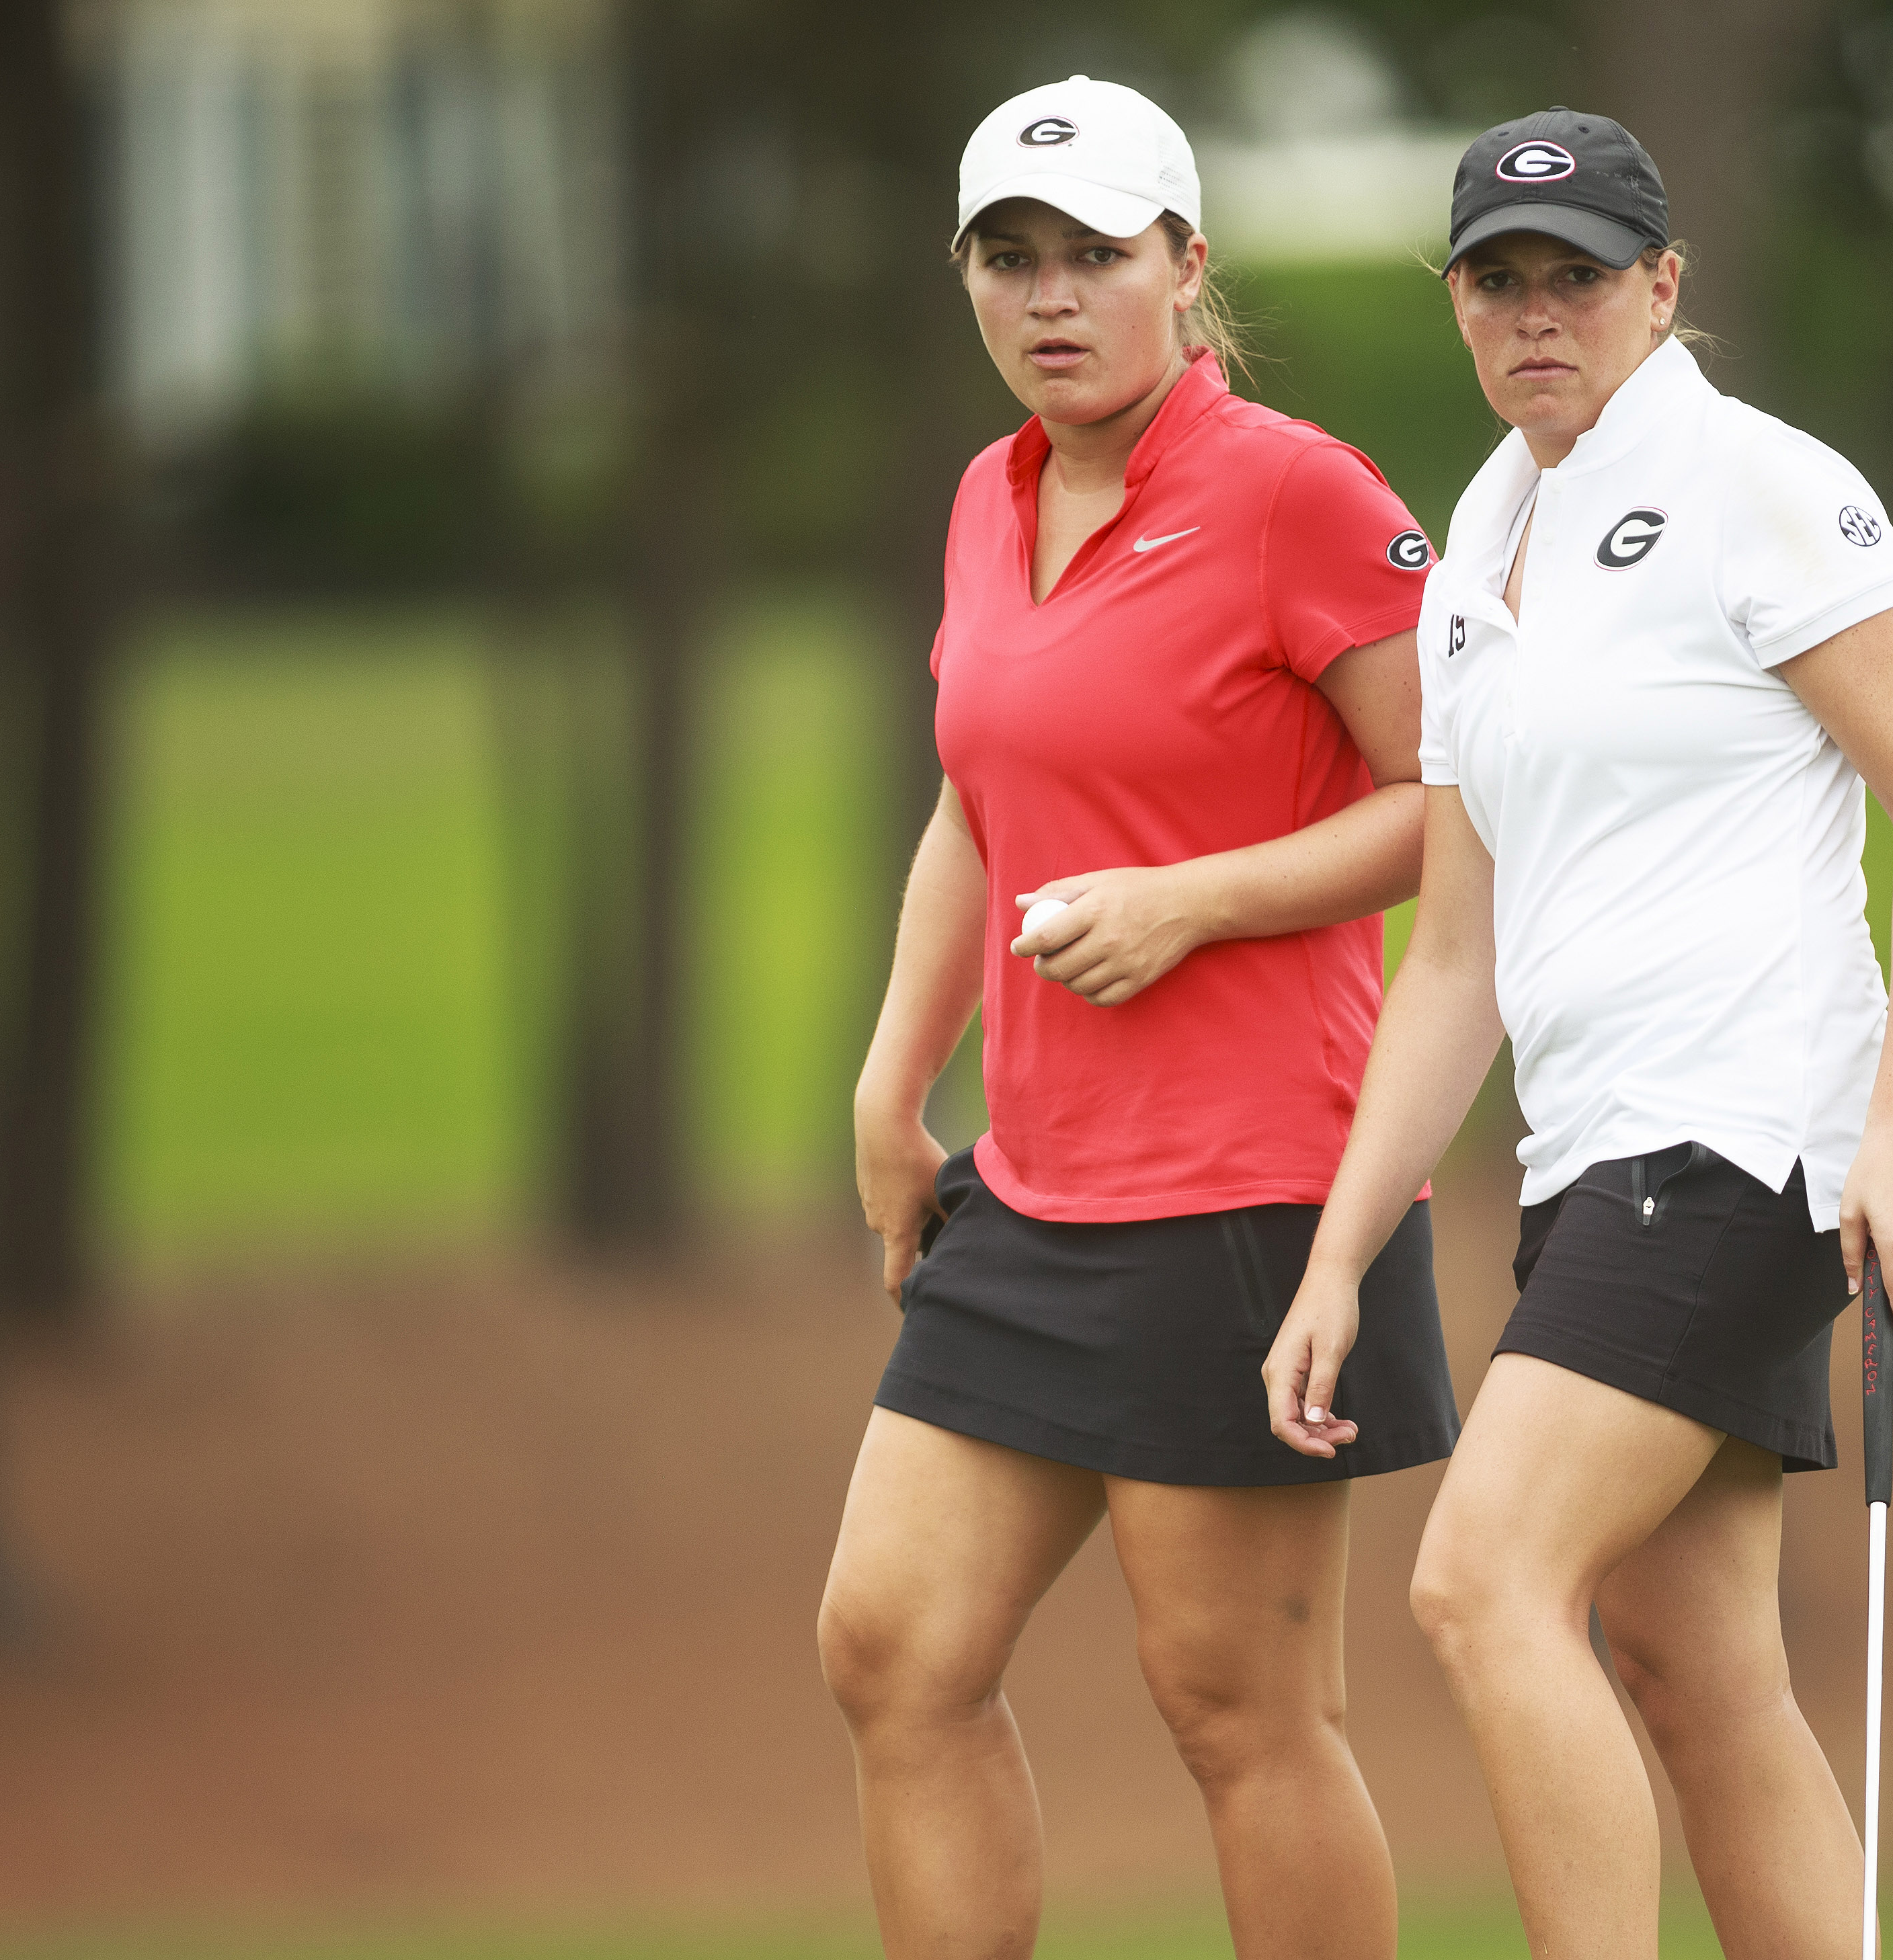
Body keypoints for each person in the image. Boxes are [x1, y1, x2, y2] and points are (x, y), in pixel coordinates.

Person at [1262, 108, 1893, 1957]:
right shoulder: (1480, 554)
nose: (1538, 314)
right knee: (1693, 1666)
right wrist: (1345, 1248)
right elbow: (1454, 954)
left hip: (1744, 1136)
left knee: (1485, 1578)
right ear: (1456, 305)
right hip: (1595, 1160)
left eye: (1577, 277)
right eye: (1500, 282)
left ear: (1661, 288)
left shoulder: (1761, 484)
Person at [817, 75, 1461, 1959]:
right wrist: (889, 1078)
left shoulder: (1296, 493)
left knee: (1238, 1713)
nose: (1049, 296)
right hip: (1038, 1187)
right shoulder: (986, 493)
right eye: (1008, 258)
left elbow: (1450, 807)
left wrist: (1196, 900)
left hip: (1252, 1191)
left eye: (1094, 254)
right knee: (893, 1647)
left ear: (1187, 266)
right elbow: (972, 797)